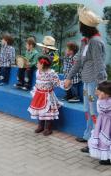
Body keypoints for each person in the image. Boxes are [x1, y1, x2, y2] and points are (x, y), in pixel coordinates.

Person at [64, 6, 107, 153]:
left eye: (80, 23)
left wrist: (102, 87)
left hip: (95, 83)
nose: (79, 25)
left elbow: (100, 65)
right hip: (87, 81)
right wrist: (69, 77)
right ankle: (88, 135)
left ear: (85, 26)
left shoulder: (95, 42)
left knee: (94, 112)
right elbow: (78, 62)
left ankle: (95, 142)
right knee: (87, 110)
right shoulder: (85, 41)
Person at [28, 55, 63, 136]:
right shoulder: (38, 72)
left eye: (38, 63)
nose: (37, 65)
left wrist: (65, 84)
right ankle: (41, 125)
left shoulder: (51, 73)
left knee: (48, 112)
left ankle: (48, 128)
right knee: (40, 111)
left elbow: (57, 83)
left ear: (42, 64)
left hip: (48, 96)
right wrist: (35, 91)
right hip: (39, 94)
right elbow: (37, 82)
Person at [88, 81, 111, 165]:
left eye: (101, 92)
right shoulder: (103, 99)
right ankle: (106, 156)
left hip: (108, 123)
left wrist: (100, 99)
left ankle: (108, 158)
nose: (98, 93)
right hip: (102, 121)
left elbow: (102, 110)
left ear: (107, 93)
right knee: (102, 138)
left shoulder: (107, 101)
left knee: (107, 138)